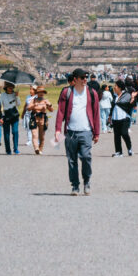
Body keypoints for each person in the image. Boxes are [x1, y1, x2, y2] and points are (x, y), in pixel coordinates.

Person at [54, 68, 101, 196]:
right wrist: (58, 130)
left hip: (86, 131)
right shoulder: (67, 92)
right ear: (75, 80)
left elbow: (96, 113)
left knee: (86, 157)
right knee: (71, 160)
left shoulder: (92, 93)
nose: (85, 79)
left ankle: (87, 181)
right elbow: (61, 112)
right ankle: (75, 185)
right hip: (70, 132)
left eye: (86, 77)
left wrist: (96, 133)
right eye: (82, 77)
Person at [110, 80, 136, 156]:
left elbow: (131, 105)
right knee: (116, 135)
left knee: (124, 133)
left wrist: (132, 99)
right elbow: (113, 106)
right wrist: (110, 116)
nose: (114, 87)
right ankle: (119, 152)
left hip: (124, 118)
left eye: (116, 86)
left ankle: (129, 149)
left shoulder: (127, 95)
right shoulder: (114, 95)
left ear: (120, 88)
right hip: (115, 118)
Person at [27, 87, 53, 154]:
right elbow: (28, 108)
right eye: (39, 92)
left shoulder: (45, 100)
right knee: (34, 134)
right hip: (34, 118)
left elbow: (51, 110)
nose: (41, 93)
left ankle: (40, 149)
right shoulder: (33, 100)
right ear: (37, 93)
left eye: (42, 92)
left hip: (43, 119)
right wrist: (33, 105)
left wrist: (49, 105)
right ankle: (36, 148)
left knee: (42, 136)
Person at [0, 81, 21, 154]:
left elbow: (19, 104)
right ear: (6, 88)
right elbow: (0, 105)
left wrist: (17, 96)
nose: (11, 89)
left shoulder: (15, 94)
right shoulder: (2, 95)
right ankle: (8, 149)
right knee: (6, 133)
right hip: (6, 114)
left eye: (12, 87)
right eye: (9, 87)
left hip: (14, 114)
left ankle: (16, 148)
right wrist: (0, 116)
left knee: (15, 132)